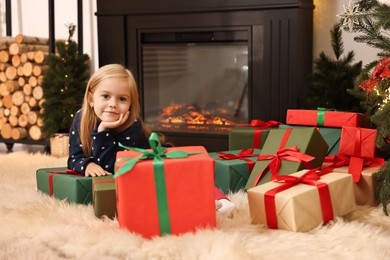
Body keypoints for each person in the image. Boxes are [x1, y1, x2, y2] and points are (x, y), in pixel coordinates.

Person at [67, 64, 151, 177]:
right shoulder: (81, 118)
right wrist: (88, 165)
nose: (113, 104)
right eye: (106, 96)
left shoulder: (132, 125)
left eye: (122, 99)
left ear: (130, 104)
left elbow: (112, 168)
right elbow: (73, 158)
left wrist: (102, 131)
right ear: (91, 100)